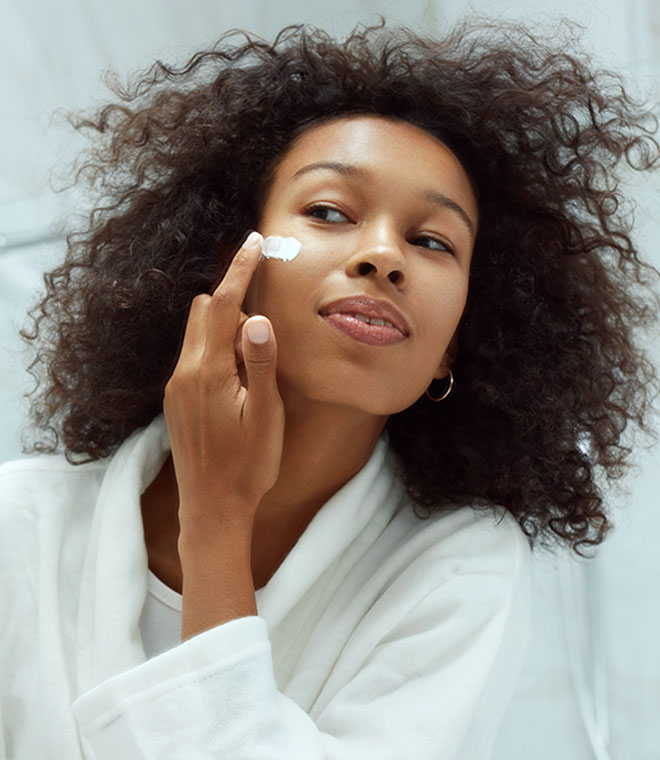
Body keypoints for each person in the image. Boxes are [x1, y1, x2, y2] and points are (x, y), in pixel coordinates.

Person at [1, 17, 658, 760]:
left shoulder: (459, 568)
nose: (383, 256)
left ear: (453, 347)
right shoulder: (18, 525)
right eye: (329, 212)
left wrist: (217, 521)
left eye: (433, 241)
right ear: (231, 270)